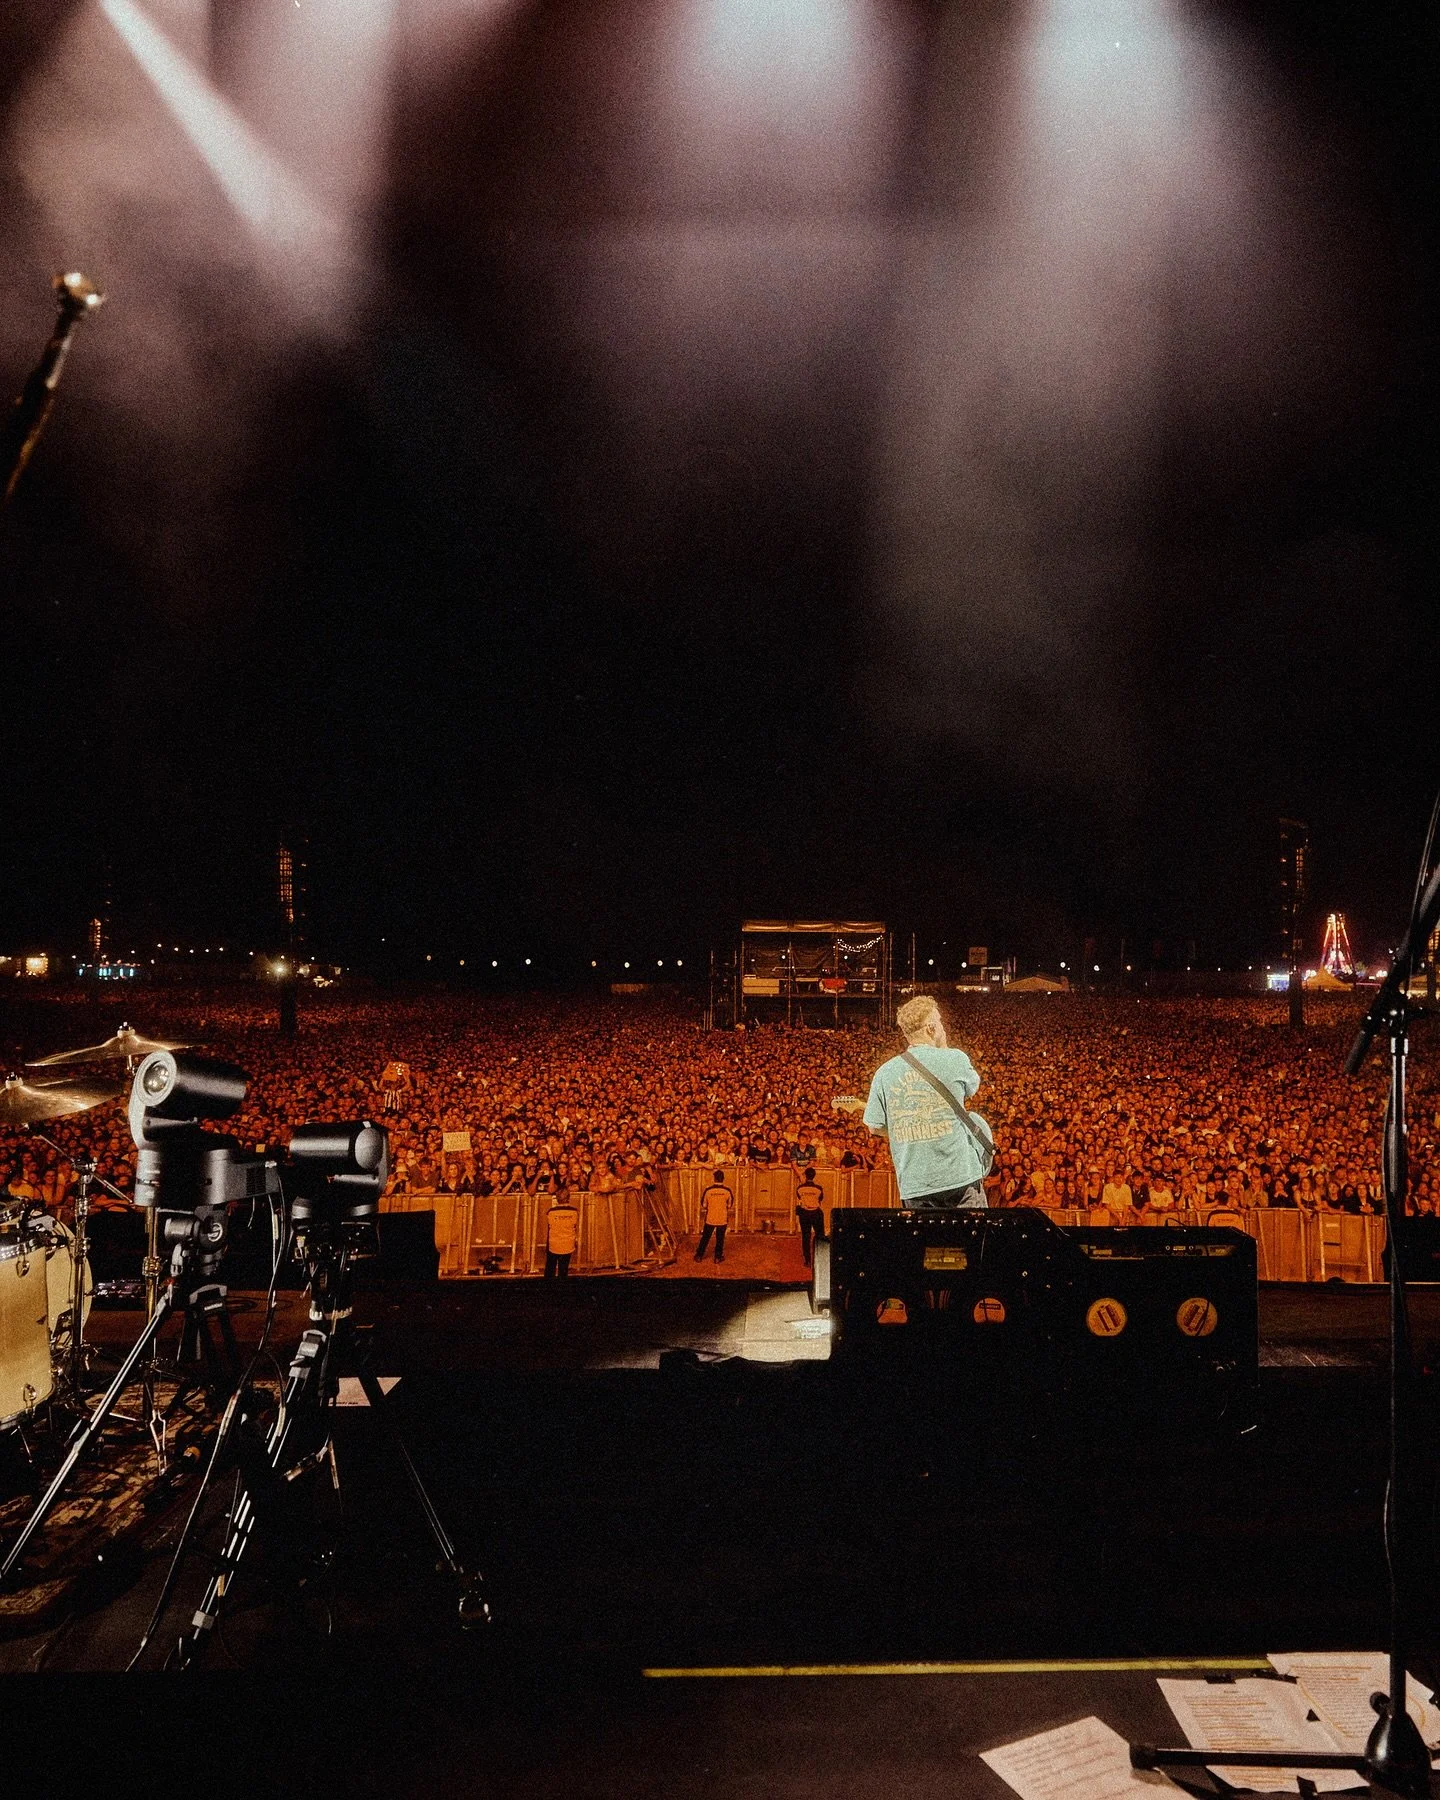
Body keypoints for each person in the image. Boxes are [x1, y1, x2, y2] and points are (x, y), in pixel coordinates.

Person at [862, 995, 992, 1209]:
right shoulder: (954, 1058)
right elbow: (972, 1089)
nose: (942, 1026)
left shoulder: (884, 1072)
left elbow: (875, 1127)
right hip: (960, 1177)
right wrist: (944, 1047)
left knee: (923, 1233)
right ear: (931, 1028)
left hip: (915, 1184)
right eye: (939, 1022)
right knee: (972, 1232)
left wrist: (914, 1128)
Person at [694, 1170, 732, 1263]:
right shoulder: (727, 1191)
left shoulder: (708, 1191)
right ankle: (717, 1257)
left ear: (714, 1178)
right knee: (720, 1239)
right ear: (723, 1179)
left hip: (710, 1218)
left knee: (705, 1237)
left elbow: (704, 1205)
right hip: (722, 1219)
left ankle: (699, 1256)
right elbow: (729, 1205)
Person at [544, 1188, 580, 1278]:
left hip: (554, 1244)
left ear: (557, 1199)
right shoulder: (574, 1212)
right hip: (568, 1244)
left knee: (550, 1267)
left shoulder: (551, 1212)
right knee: (563, 1269)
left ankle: (548, 1285)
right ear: (568, 1198)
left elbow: (549, 1226)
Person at [794, 1166, 825, 1267]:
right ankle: (821, 1258)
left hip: (804, 1213)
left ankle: (807, 1260)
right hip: (816, 1213)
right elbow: (820, 1199)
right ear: (814, 1176)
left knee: (806, 1236)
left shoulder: (799, 1188)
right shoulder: (819, 1189)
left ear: (805, 1176)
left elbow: (799, 1197)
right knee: (820, 1236)